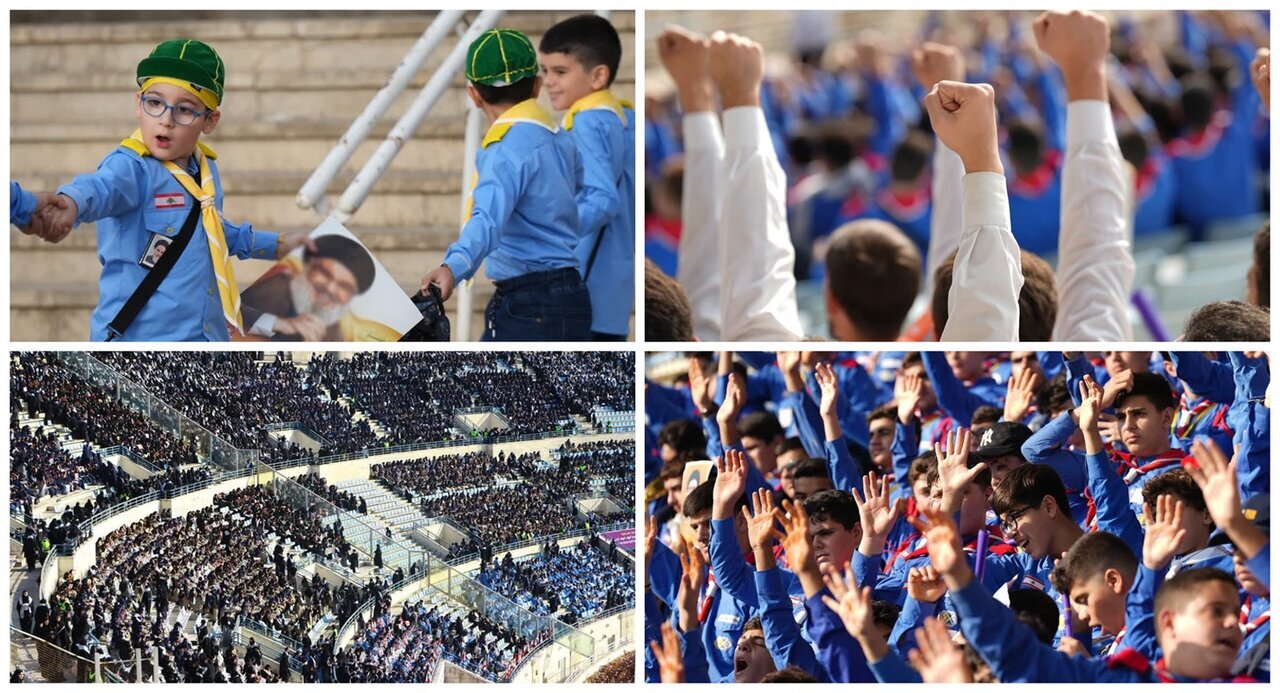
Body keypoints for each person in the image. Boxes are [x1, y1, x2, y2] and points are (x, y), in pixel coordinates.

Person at [37, 39, 309, 341]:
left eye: (185, 110)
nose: (166, 120)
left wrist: (276, 245)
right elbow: (99, 188)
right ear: (138, 104)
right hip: (142, 341)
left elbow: (208, 232)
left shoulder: (205, 169)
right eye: (155, 103)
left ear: (210, 121)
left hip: (205, 336)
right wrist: (71, 203)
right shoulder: (132, 167)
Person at [421, 28, 591, 341]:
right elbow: (578, 184)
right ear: (537, 86)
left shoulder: (503, 148)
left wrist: (453, 267)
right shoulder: (562, 138)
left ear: (474, 95)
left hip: (528, 299)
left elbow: (487, 219)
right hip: (572, 291)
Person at [539, 14, 635, 341]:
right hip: (612, 294)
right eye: (545, 71)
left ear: (598, 76)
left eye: (560, 72)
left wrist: (546, 230)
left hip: (583, 289)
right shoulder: (624, 115)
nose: (548, 81)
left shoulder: (586, 122)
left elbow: (601, 198)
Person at [240, 233, 397, 341]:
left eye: (344, 286)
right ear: (308, 267)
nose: (330, 288)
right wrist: (275, 323)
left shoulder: (334, 325)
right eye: (325, 273)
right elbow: (235, 317)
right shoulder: (274, 290)